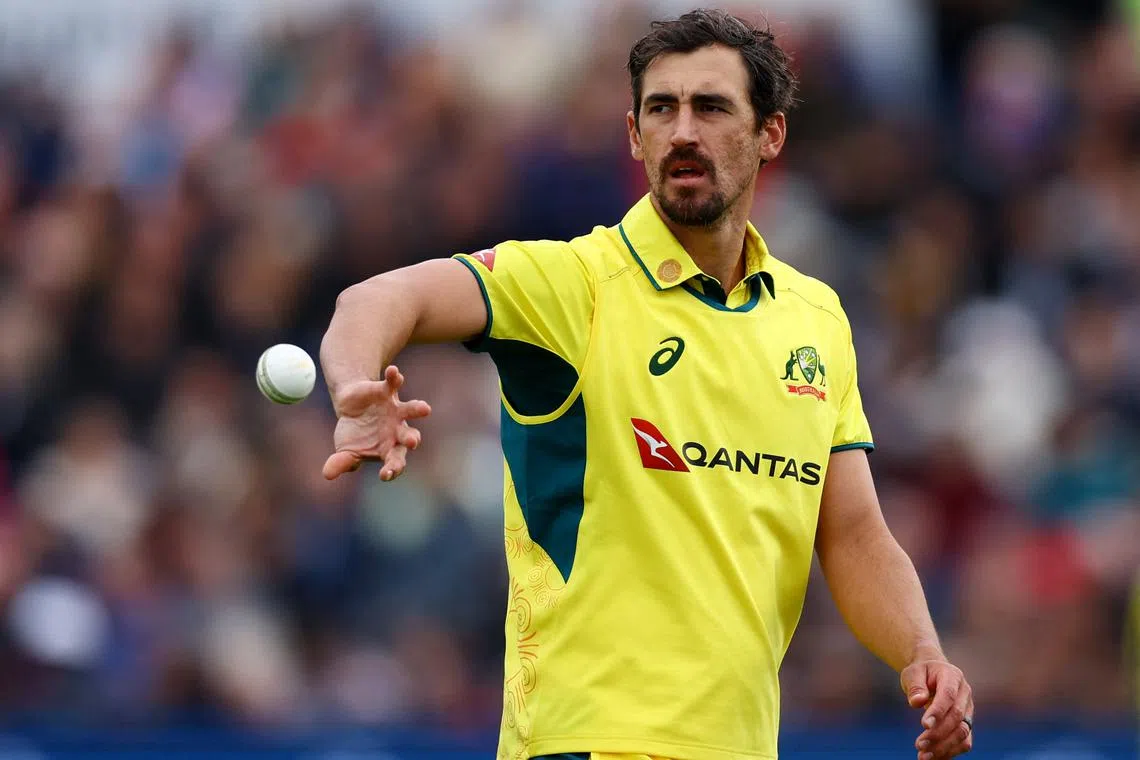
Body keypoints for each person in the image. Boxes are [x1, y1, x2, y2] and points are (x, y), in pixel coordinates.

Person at [319, 9, 974, 760]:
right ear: (634, 136)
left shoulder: (815, 319)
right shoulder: (572, 285)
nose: (683, 131)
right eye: (661, 109)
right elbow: (377, 300)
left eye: (712, 107)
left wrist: (921, 651)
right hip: (585, 743)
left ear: (771, 136)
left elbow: (854, 533)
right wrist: (353, 386)